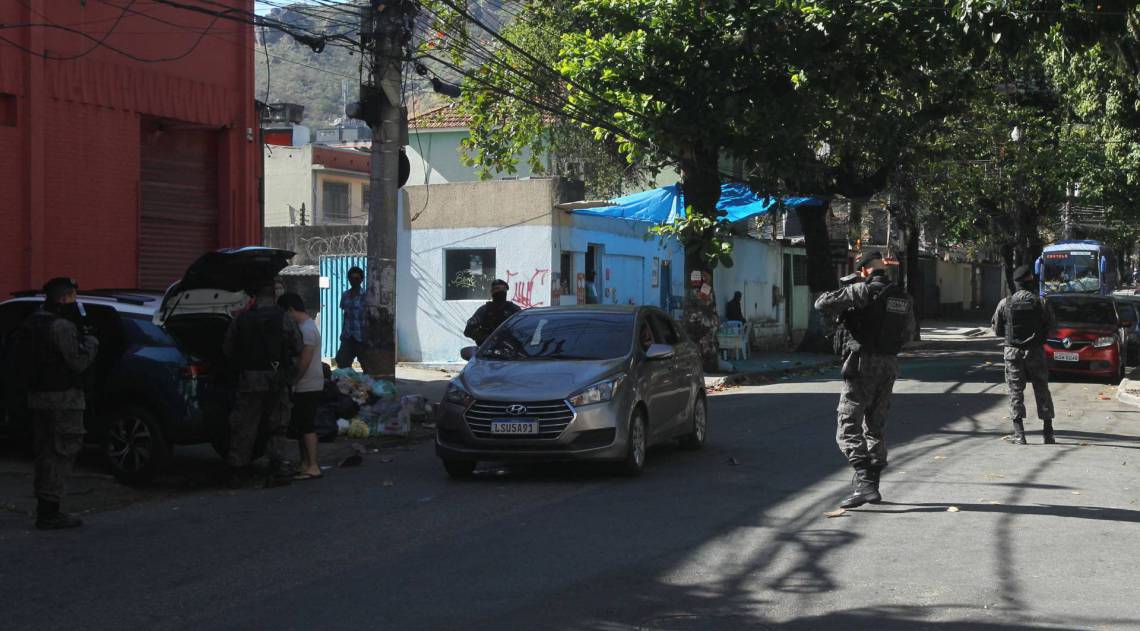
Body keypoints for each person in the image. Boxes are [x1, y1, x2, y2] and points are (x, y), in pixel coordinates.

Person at [814, 251, 915, 509]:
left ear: (865, 269)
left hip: (861, 364)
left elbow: (821, 303)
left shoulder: (861, 291)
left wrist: (846, 295)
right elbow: (908, 335)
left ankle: (864, 483)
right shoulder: (902, 296)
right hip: (889, 365)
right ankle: (872, 485)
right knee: (876, 425)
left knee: (847, 424)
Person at [20, 277, 99, 530]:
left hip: (38, 397)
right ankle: (49, 512)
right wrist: (92, 343)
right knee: (61, 452)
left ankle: (45, 507)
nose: (76, 302)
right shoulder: (62, 326)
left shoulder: (33, 322)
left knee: (45, 453)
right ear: (64, 298)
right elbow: (77, 362)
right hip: (63, 399)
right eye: (73, 297)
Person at [223, 280, 303, 488]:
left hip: (249, 380)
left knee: (244, 426)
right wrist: (289, 375)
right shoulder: (283, 318)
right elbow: (297, 346)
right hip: (276, 379)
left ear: (254, 298)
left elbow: (228, 350)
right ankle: (276, 470)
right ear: (274, 297)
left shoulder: (241, 319)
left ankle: (237, 471)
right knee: (277, 425)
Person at [992, 264, 1056, 445]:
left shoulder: (1006, 303)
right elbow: (1051, 328)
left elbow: (997, 330)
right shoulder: (1041, 302)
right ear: (1030, 281)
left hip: (1013, 352)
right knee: (1041, 388)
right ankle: (1048, 433)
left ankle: (1019, 434)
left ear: (1015, 283)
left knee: (1015, 390)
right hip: (1035, 350)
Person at [278, 293, 324, 480]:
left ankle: (313, 465)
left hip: (308, 384)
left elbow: (305, 360)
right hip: (306, 384)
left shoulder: (307, 330)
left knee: (307, 426)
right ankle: (305, 463)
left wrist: (294, 380)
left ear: (290, 310)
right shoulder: (306, 326)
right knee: (301, 427)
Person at [464, 279, 521, 346]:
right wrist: (486, 338)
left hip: (511, 352)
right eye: (497, 289)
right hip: (489, 351)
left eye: (503, 289)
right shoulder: (484, 310)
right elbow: (468, 331)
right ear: (492, 292)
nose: (500, 291)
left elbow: (525, 329)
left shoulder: (514, 309)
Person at [336, 266, 370, 372]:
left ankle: (367, 385)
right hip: (348, 335)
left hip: (361, 337)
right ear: (348, 279)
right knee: (342, 362)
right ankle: (347, 385)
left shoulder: (366, 296)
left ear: (361, 280)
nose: (354, 281)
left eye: (357, 278)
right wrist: (342, 334)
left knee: (367, 365)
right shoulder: (345, 295)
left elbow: (370, 317)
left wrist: (368, 337)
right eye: (351, 278)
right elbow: (345, 315)